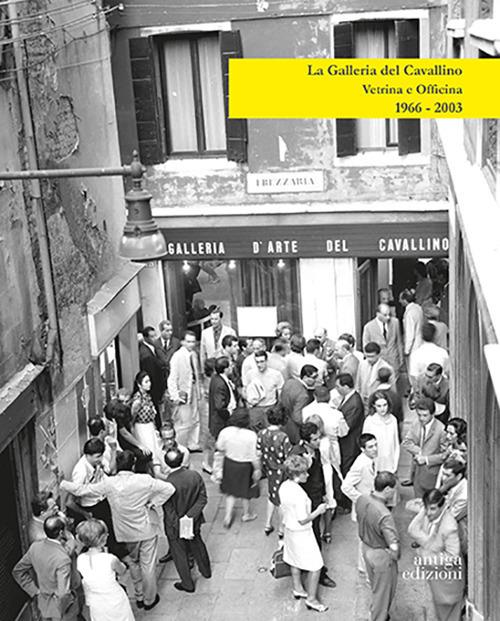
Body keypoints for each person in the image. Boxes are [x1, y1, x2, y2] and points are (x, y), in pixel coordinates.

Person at [61, 450, 175, 612]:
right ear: (133, 465)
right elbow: (169, 489)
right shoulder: (144, 480)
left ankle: (139, 596)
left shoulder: (109, 483)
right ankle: (149, 599)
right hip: (146, 528)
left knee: (133, 563)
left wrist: (62, 483)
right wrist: (152, 502)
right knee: (148, 566)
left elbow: (82, 490)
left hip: (125, 532)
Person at [290, 422, 337, 589]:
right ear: (306, 441)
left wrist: (323, 493)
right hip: (305, 501)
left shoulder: (315, 451)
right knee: (310, 535)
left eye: (319, 438)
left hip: (316, 496)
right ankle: (317, 571)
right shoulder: (297, 455)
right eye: (315, 439)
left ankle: (317, 569)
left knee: (316, 533)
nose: (318, 441)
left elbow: (319, 474)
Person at [279, 455, 328, 613]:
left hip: (289, 529)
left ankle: (298, 587)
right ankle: (312, 599)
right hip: (302, 533)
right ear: (296, 474)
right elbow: (303, 520)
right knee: (316, 565)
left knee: (294, 559)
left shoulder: (284, 486)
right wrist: (318, 511)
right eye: (304, 472)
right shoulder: (299, 495)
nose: (307, 475)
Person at [408, 489, 465, 621]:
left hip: (448, 581)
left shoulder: (449, 527)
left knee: (449, 615)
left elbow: (452, 557)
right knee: (440, 613)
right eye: (426, 508)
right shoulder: (433, 516)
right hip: (437, 577)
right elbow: (412, 529)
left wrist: (426, 557)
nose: (429, 513)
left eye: (432, 509)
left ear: (442, 506)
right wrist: (424, 510)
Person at [162, 448, 212, 593]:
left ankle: (187, 583)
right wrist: (189, 517)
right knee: (198, 545)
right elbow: (202, 499)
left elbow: (169, 510)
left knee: (179, 554)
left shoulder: (167, 484)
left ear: (166, 463)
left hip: (175, 526)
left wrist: (180, 524)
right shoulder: (194, 476)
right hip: (193, 520)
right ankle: (206, 571)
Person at [13, 516, 81, 621]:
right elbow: (63, 593)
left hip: (44, 602)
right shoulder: (63, 559)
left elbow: (18, 571)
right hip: (62, 609)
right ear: (61, 533)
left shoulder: (35, 547)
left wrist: (34, 591)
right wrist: (62, 610)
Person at [356, 472, 400, 621]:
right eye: (394, 489)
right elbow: (393, 542)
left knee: (376, 587)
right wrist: (395, 555)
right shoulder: (384, 514)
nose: (394, 493)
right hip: (380, 554)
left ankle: (375, 611)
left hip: (366, 548)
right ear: (387, 489)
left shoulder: (361, 499)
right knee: (383, 594)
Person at [75, 519, 134, 621]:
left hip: (95, 602)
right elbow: (122, 570)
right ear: (103, 538)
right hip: (114, 598)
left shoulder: (80, 559)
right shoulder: (110, 559)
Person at [303, 386, 349, 506]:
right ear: (329, 397)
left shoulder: (306, 410)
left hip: (312, 446)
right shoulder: (336, 414)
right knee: (332, 474)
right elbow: (343, 432)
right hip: (332, 447)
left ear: (315, 396)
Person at [216, 408, 261, 527]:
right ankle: (246, 514)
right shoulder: (251, 435)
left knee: (230, 491)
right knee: (246, 490)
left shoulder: (225, 431)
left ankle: (227, 516)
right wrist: (257, 469)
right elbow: (254, 456)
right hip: (245, 466)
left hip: (230, 463)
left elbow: (219, 446)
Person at [341, 433, 378, 574]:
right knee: (365, 539)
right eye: (370, 447)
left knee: (370, 537)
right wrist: (361, 499)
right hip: (364, 507)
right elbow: (345, 486)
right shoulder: (360, 464)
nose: (375, 449)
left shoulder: (370, 459)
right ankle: (365, 568)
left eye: (375, 445)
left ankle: (366, 565)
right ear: (363, 449)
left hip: (372, 506)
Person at [256, 405, 292, 536]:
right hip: (281, 471)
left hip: (269, 470)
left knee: (271, 496)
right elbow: (288, 456)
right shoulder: (283, 437)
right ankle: (281, 529)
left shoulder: (261, 434)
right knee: (281, 501)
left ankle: (268, 524)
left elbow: (258, 452)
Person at [402, 397, 447, 498]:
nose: (421, 418)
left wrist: (426, 459)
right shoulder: (416, 424)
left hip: (431, 476)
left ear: (433, 414)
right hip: (417, 474)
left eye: (425, 415)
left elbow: (445, 455)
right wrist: (419, 451)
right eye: (419, 415)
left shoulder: (441, 429)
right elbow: (406, 442)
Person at [167, 330, 202, 451]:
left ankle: (193, 443)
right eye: (188, 342)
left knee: (195, 418)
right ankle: (180, 446)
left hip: (193, 388)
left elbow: (197, 373)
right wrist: (174, 395)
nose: (191, 344)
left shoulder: (194, 354)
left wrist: (199, 390)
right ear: (182, 342)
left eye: (193, 342)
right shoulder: (177, 356)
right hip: (183, 392)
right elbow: (172, 378)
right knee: (183, 421)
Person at [335, 373, 365, 513]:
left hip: (350, 444)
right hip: (347, 443)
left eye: (338, 386)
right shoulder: (349, 398)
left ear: (346, 387)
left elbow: (347, 426)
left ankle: (346, 504)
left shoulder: (354, 403)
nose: (337, 389)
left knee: (347, 471)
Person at [205, 356, 237, 474]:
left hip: (219, 419)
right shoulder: (220, 384)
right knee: (219, 446)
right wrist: (229, 413)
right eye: (230, 365)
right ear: (225, 369)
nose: (232, 367)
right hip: (220, 420)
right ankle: (217, 469)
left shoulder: (217, 378)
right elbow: (219, 406)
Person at [245, 350, 284, 432]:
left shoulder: (276, 374)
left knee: (270, 431)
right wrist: (248, 401)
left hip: (270, 407)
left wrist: (277, 408)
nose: (259, 365)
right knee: (253, 430)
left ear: (266, 361)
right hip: (255, 408)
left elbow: (280, 393)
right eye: (257, 362)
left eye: (262, 361)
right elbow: (245, 389)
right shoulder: (250, 374)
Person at [130, 371, 164, 465]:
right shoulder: (138, 400)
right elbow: (132, 418)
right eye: (146, 382)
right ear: (139, 384)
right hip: (141, 428)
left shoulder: (148, 396)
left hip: (150, 426)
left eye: (149, 381)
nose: (149, 384)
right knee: (149, 451)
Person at [363, 391, 400, 475]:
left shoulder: (393, 419)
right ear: (374, 405)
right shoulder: (369, 421)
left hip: (390, 463)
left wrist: (395, 464)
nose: (382, 408)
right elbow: (365, 444)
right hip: (376, 463)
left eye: (385, 405)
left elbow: (396, 444)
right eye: (379, 406)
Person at [362, 304, 403, 379]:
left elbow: (399, 341)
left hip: (393, 360)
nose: (388, 317)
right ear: (378, 314)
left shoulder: (395, 322)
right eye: (385, 315)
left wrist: (401, 359)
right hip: (378, 362)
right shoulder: (368, 327)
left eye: (389, 314)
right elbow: (366, 346)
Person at [280, 364, 317, 444]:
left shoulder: (289, 382)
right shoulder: (303, 395)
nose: (316, 380)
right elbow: (297, 417)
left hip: (283, 422)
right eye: (314, 377)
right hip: (294, 428)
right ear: (305, 377)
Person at [439, 458, 468, 561]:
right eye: (443, 474)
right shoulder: (456, 485)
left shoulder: (464, 496)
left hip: (464, 538)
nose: (443, 478)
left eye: (448, 475)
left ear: (459, 476)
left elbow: (450, 517)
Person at [138, 326, 167, 422]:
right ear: (145, 338)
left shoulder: (152, 348)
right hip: (154, 388)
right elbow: (152, 374)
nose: (155, 339)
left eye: (155, 336)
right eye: (152, 337)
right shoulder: (146, 354)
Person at [356, 342, 394, 411]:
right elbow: (358, 384)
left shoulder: (386, 368)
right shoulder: (362, 364)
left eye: (372, 356)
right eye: (367, 356)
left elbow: (392, 390)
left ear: (378, 355)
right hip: (363, 401)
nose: (369, 359)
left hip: (378, 403)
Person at [200, 306, 236, 371]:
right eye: (212, 319)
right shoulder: (205, 333)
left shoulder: (230, 332)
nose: (213, 321)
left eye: (216, 319)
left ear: (220, 319)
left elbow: (235, 351)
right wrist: (203, 369)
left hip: (225, 366)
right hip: (211, 366)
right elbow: (203, 352)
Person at [376, 367, 404, 441]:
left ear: (378, 379)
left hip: (378, 434)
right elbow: (401, 420)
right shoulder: (396, 396)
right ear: (389, 379)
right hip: (393, 434)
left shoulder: (373, 397)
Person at [399, 288, 424, 363]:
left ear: (404, 300)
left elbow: (410, 333)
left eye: (400, 299)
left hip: (413, 347)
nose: (399, 301)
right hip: (420, 343)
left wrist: (407, 350)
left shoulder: (409, 313)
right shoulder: (418, 308)